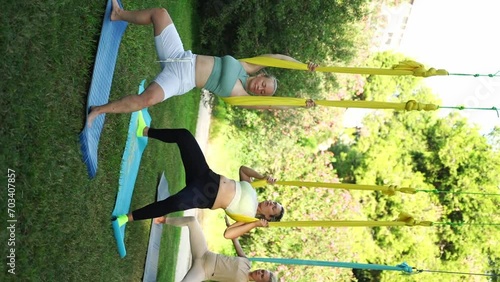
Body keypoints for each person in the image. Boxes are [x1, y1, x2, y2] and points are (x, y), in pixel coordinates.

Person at [87, 0, 318, 127]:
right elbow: (277, 58)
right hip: (183, 56)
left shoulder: (242, 97)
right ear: (261, 75)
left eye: (263, 92)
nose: (260, 88)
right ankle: (118, 14)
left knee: (146, 99)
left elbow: (271, 106)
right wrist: (303, 66)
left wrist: (299, 105)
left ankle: (99, 111)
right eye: (263, 84)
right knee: (160, 13)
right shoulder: (246, 66)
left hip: (181, 80)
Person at [113, 117, 284, 239]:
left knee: (171, 203)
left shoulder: (249, 220)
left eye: (273, 209)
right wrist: (262, 177)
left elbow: (228, 234)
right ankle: (144, 130)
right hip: (206, 175)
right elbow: (243, 170)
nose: (271, 203)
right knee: (184, 136)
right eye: (274, 203)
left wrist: (256, 224)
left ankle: (126, 218)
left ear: (268, 218)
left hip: (204, 196)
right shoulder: (252, 190)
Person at [161, 216, 277, 282]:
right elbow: (234, 239)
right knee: (192, 221)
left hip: (202, 271)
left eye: (262, 276)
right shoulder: (247, 262)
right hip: (204, 253)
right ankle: (162, 220)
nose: (260, 272)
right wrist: (231, 226)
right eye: (263, 271)